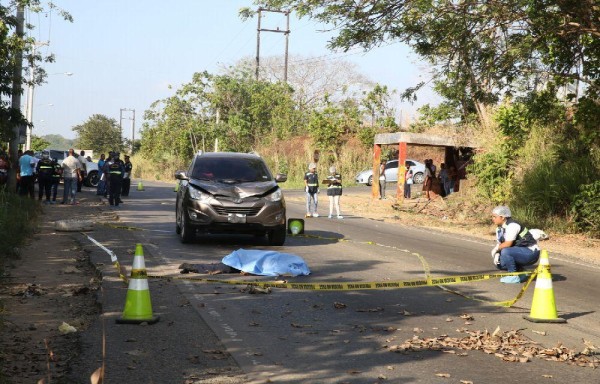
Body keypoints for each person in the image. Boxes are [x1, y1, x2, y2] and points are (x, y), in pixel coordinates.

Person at [490, 206, 540, 283]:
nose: (492, 219)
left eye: (494, 217)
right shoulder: (499, 229)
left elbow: (508, 244)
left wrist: (496, 250)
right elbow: (501, 243)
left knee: (506, 252)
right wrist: (497, 253)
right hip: (520, 251)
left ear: (502, 217)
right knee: (500, 263)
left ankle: (513, 276)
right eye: (492, 216)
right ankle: (521, 273)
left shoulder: (512, 225)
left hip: (531, 252)